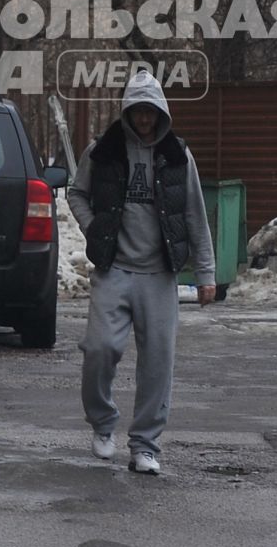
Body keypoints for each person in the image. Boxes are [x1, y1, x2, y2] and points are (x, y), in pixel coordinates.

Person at [69, 69, 216, 476]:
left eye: (152, 112)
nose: (145, 120)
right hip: (114, 269)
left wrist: (206, 273)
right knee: (99, 349)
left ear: (162, 113)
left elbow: (194, 215)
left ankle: (145, 446)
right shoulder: (103, 151)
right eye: (138, 112)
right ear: (127, 112)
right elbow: (77, 193)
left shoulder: (177, 155)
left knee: (158, 362)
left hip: (159, 275)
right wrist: (92, 226)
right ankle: (102, 424)